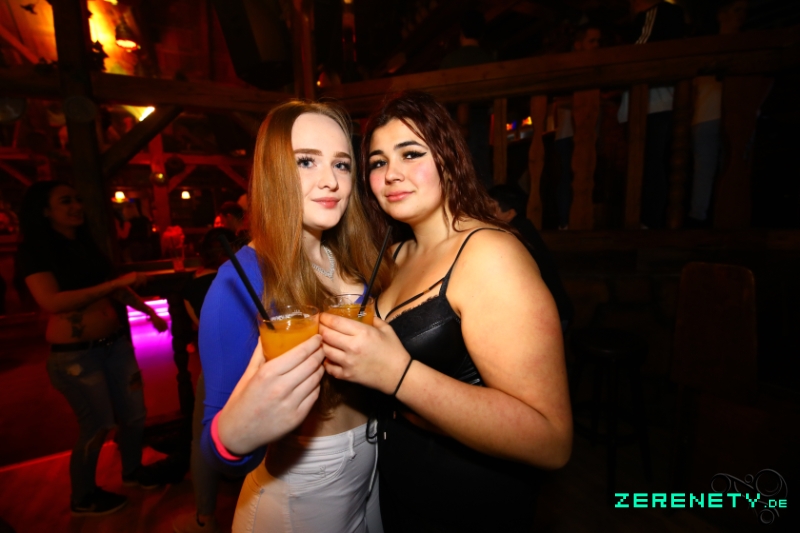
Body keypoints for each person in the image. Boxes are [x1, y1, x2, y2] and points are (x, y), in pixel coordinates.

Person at [320, 91, 573, 532]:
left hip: (470, 506)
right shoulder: (393, 256)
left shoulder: (489, 254)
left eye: (410, 153)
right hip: (397, 495)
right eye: (378, 162)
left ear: (448, 158)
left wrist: (397, 375)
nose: (391, 174)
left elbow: (551, 440)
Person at [198, 101, 390, 533]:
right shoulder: (240, 281)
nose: (331, 181)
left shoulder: (352, 258)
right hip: (300, 495)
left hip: (371, 471)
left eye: (341, 164)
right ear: (272, 172)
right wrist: (235, 436)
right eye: (306, 161)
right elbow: (215, 449)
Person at [17, 181, 170, 516]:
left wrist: (147, 311)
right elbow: (52, 302)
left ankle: (133, 472)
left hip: (115, 345)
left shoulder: (85, 244)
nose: (76, 206)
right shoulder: (34, 251)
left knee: (135, 415)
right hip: (76, 354)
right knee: (97, 425)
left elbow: (113, 289)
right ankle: (83, 497)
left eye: (77, 199)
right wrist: (115, 283)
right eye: (65, 201)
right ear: (45, 211)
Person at [173, 227, 239, 533]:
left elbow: (198, 327)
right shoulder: (243, 275)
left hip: (216, 369)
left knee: (202, 439)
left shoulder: (192, 286)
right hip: (252, 365)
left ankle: (205, 517)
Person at [617, 0, 685, 229]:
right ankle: (646, 220)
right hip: (648, 103)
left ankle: (648, 221)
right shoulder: (649, 18)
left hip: (653, 103)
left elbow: (638, 52)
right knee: (649, 165)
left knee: (650, 165)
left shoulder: (657, 13)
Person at [688, 0, 748, 227]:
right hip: (707, 114)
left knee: (731, 168)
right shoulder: (706, 47)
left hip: (736, 115)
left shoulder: (748, 46)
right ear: (721, 14)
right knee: (704, 170)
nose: (742, 16)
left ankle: (725, 219)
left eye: (744, 11)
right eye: (737, 9)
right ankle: (700, 220)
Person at [488, 184, 574, 331]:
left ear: (510, 214)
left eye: (491, 208)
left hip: (550, 318)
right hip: (549, 314)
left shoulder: (515, 236)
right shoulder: (521, 228)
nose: (482, 211)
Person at [439, 9, 494, 191]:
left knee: (456, 169)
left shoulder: (449, 62)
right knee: (480, 168)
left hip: (453, 124)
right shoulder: (489, 61)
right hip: (480, 122)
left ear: (461, 32)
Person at [554, 24, 602, 230]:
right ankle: (565, 223)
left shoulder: (597, 69)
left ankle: (584, 221)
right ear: (578, 44)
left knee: (588, 176)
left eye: (598, 41)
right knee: (568, 178)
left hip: (590, 133)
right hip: (568, 133)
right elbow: (558, 99)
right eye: (592, 41)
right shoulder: (568, 69)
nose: (596, 45)